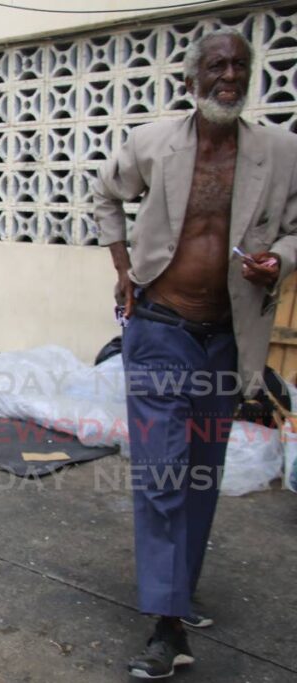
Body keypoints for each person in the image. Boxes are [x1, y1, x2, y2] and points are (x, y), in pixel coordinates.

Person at [92, 28, 297, 679]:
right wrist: (124, 270)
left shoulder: (281, 151)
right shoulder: (154, 143)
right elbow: (105, 195)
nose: (228, 75)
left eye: (239, 64)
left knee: (201, 473)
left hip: (227, 339)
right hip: (158, 329)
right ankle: (166, 624)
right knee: (161, 474)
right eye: (215, 65)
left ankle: (179, 590)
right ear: (191, 79)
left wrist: (280, 261)